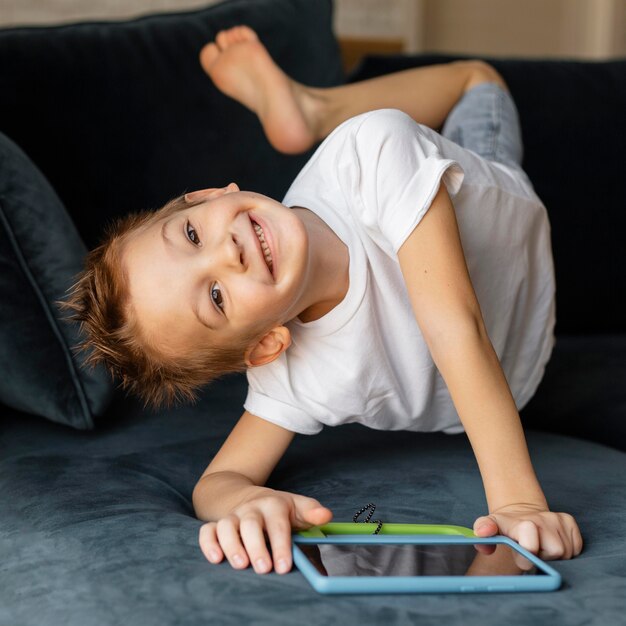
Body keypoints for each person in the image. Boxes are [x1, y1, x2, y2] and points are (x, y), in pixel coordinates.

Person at [65, 25, 583, 575]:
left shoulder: (373, 151)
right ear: (265, 346)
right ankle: (308, 111)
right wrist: (246, 502)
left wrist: (518, 505)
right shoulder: (293, 371)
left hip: (510, 222)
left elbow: (452, 323)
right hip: (525, 374)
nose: (228, 252)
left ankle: (313, 113)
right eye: (215, 297)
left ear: (211, 194)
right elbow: (215, 484)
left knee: (479, 81)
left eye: (193, 234)